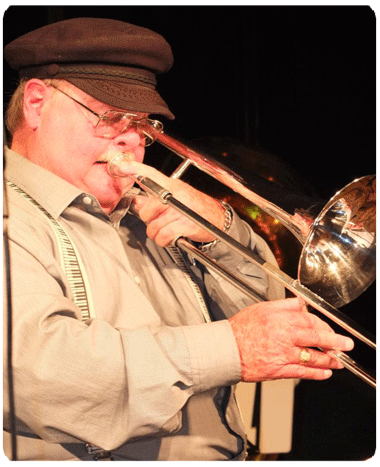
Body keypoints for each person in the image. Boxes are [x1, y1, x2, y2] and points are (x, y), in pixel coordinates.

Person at [3, 17, 354, 461]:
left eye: (143, 124)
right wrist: (229, 349)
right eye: (111, 118)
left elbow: (268, 307)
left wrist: (221, 231)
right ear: (36, 103)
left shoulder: (150, 210)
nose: (132, 139)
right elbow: (42, 373)